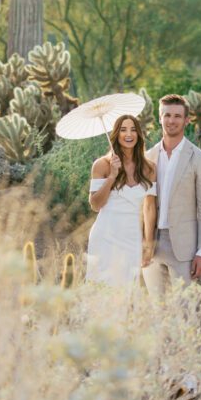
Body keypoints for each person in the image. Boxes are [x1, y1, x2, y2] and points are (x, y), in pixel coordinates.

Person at [142, 94, 201, 296]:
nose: (171, 121)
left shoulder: (200, 158)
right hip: (152, 244)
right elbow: (142, 203)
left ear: (186, 120)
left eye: (177, 116)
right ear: (159, 117)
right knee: (156, 310)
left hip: (184, 248)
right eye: (167, 115)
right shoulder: (148, 157)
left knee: (183, 312)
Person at [86, 114, 158, 287]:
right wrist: (112, 176)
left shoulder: (149, 168)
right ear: (116, 134)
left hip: (132, 237)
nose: (128, 134)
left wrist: (148, 243)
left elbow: (149, 208)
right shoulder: (101, 165)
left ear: (139, 135)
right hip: (105, 236)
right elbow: (95, 205)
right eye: (123, 129)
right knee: (100, 290)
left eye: (133, 129)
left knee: (126, 294)